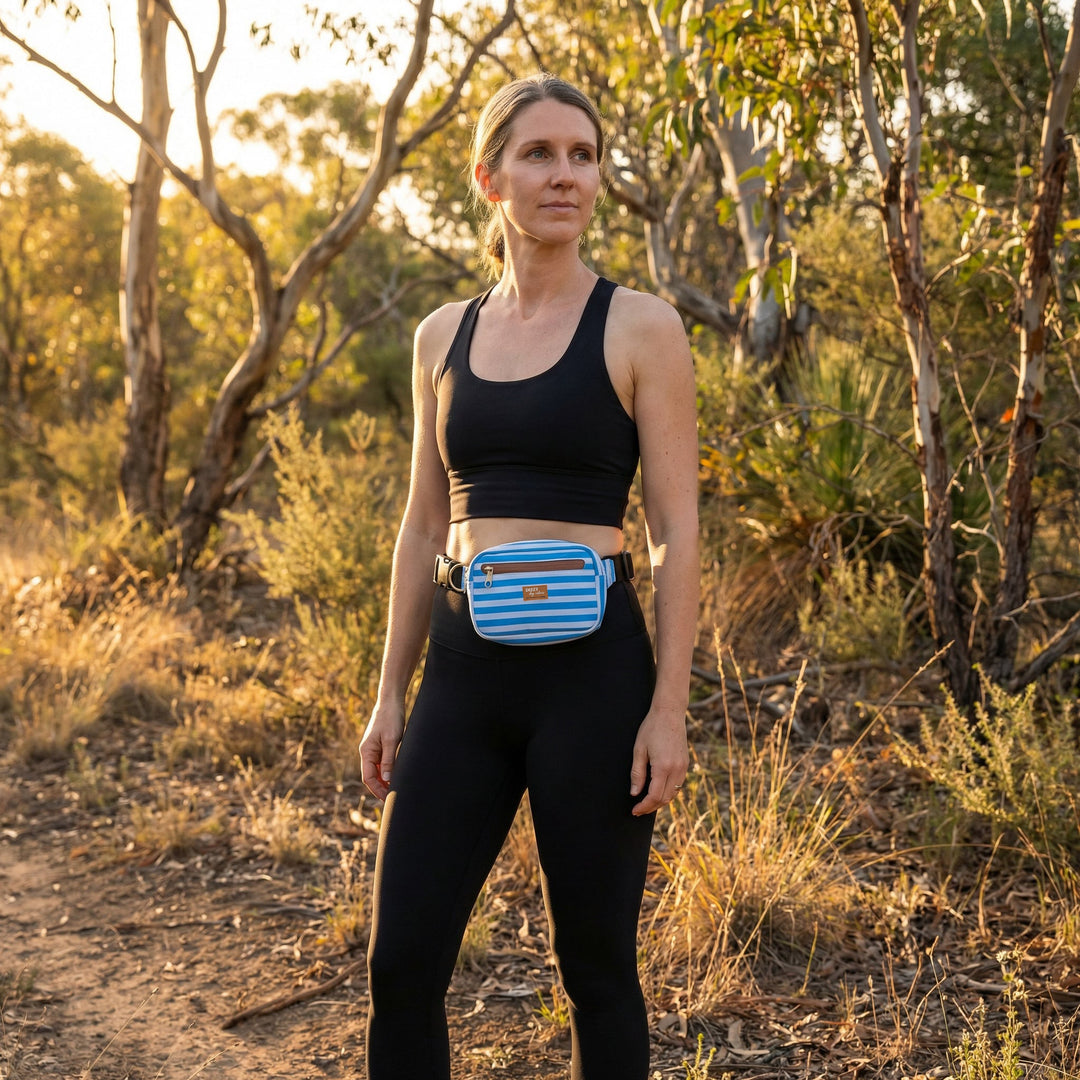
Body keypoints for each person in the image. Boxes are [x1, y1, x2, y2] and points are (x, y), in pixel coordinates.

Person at [358, 72, 699, 1080]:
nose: (566, 175)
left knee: (596, 967)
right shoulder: (441, 336)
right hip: (463, 677)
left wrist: (669, 708)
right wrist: (388, 694)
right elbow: (424, 523)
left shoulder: (642, 328)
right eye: (540, 154)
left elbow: (677, 528)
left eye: (584, 156)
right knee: (403, 963)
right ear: (490, 178)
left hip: (594, 680)